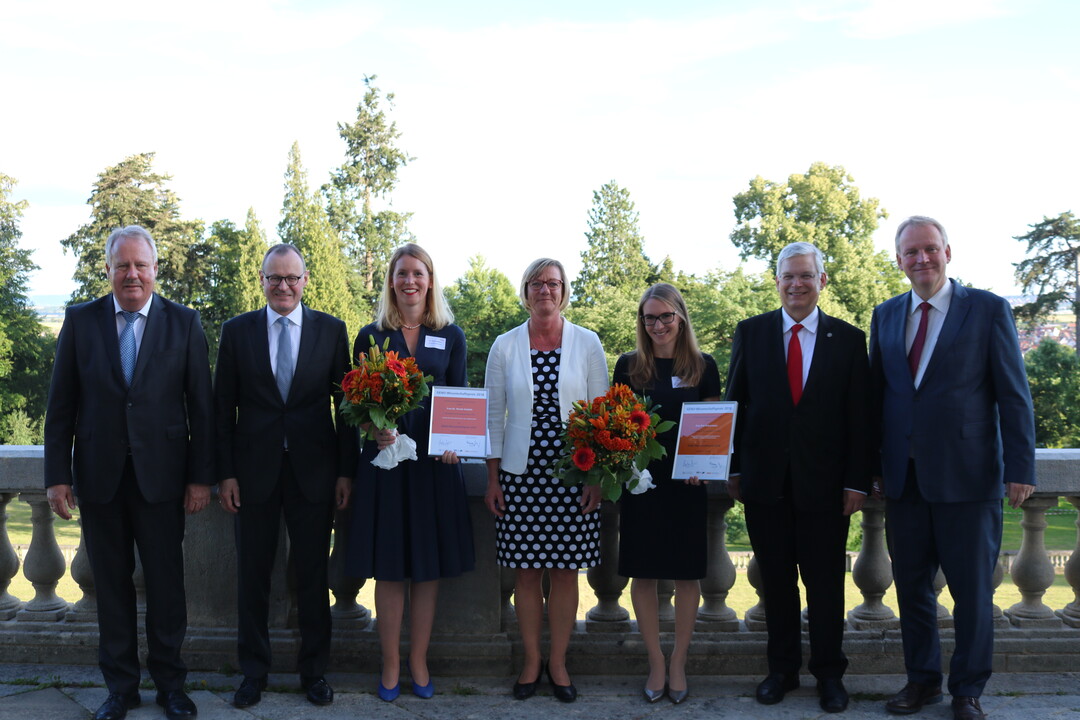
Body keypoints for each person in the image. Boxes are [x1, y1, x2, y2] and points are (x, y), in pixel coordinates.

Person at [43, 225, 212, 720]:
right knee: (110, 588)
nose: (132, 274)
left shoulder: (184, 323)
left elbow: (201, 408)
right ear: (109, 270)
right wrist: (57, 475)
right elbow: (61, 406)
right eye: (123, 266)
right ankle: (120, 688)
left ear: (156, 270)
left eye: (141, 265)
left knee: (166, 586)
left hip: (163, 481)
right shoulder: (80, 320)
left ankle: (170, 685)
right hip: (99, 479)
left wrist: (200, 477)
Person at [870, 216, 1035, 720]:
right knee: (913, 590)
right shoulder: (885, 314)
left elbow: (1013, 394)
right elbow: (879, 398)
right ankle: (922, 682)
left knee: (972, 595)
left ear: (947, 251)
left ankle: (967, 690)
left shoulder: (987, 310)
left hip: (969, 478)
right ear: (898, 261)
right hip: (904, 480)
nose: (921, 259)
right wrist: (874, 466)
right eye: (910, 252)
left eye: (929, 249)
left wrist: (1021, 466)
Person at [725, 241, 870, 714]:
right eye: (788, 276)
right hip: (765, 484)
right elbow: (736, 407)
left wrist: (857, 481)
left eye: (806, 275)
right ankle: (781, 671)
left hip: (827, 489)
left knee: (826, 585)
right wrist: (734, 469)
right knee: (777, 585)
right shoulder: (751, 333)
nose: (796, 284)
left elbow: (860, 419)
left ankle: (830, 675)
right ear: (777, 281)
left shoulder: (848, 340)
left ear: (822, 281)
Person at [214, 243, 357, 709]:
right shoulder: (236, 332)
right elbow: (221, 410)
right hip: (252, 475)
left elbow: (347, 408)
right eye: (274, 278)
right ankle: (253, 673)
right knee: (252, 577)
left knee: (314, 577)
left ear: (305, 279)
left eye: (291, 278)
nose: (283, 286)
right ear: (261, 280)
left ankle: (313, 673)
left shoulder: (332, 331)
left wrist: (345, 472)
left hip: (314, 474)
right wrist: (226, 474)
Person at [345, 243, 475, 702]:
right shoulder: (370, 336)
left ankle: (418, 660)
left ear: (430, 280)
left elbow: (460, 402)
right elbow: (356, 406)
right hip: (387, 467)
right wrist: (372, 430)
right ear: (392, 281)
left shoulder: (451, 335)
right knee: (389, 568)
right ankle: (390, 662)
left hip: (434, 470)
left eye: (418, 273)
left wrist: (456, 445)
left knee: (426, 569)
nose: (410, 281)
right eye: (402, 273)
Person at [484, 258, 608, 703]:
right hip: (520, 475)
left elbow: (601, 417)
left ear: (563, 290)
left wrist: (596, 476)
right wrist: (493, 478)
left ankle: (558, 663)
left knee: (565, 572)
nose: (545, 291)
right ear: (526, 290)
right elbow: (492, 417)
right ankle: (532, 661)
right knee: (527, 575)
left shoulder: (588, 343)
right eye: (537, 283)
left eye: (553, 283)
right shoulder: (505, 345)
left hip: (574, 473)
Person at [613, 283, 721, 705]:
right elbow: (615, 424)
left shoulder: (703, 366)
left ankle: (679, 662)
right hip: (642, 484)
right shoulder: (628, 366)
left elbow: (714, 427)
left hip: (687, 484)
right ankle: (655, 661)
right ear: (642, 322)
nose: (658, 325)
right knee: (643, 573)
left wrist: (706, 467)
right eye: (650, 318)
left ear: (681, 317)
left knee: (686, 574)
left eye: (665, 317)